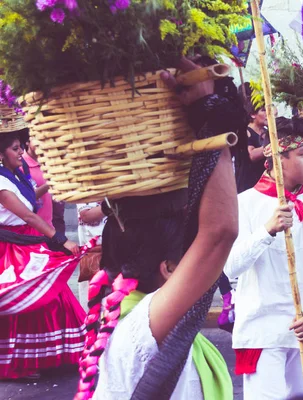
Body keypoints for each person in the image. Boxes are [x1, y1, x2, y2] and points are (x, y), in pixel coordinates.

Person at [75, 57, 243, 399]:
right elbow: (219, 233)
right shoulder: (138, 331)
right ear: (168, 268)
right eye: (190, 250)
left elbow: (215, 236)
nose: (208, 264)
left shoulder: (127, 324)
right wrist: (209, 118)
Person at [224, 116, 303, 399]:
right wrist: (267, 231)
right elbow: (230, 268)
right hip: (262, 329)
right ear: (278, 159)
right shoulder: (245, 204)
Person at [0, 127, 83, 380]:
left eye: (21, 147)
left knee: (54, 294)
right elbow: (27, 215)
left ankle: (62, 355)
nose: (21, 152)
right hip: (14, 248)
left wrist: (50, 185)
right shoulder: (2, 182)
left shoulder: (14, 176)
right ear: (1, 153)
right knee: (30, 300)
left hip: (29, 243)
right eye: (15, 148)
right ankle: (15, 365)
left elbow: (28, 201)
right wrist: (61, 239)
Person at [235, 85, 268, 193]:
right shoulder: (246, 131)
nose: (268, 113)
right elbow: (252, 155)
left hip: (264, 181)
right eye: (263, 110)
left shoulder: (267, 131)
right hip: (248, 182)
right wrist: (273, 145)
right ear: (253, 114)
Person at [76, 202, 107, 311]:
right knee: (93, 301)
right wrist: (111, 203)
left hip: (117, 248)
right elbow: (86, 216)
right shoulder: (85, 188)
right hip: (94, 253)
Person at [19, 131, 52, 227]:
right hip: (32, 229)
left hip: (49, 225)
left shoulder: (48, 161)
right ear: (27, 142)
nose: (40, 143)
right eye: (36, 139)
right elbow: (27, 197)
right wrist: (51, 183)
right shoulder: (20, 165)